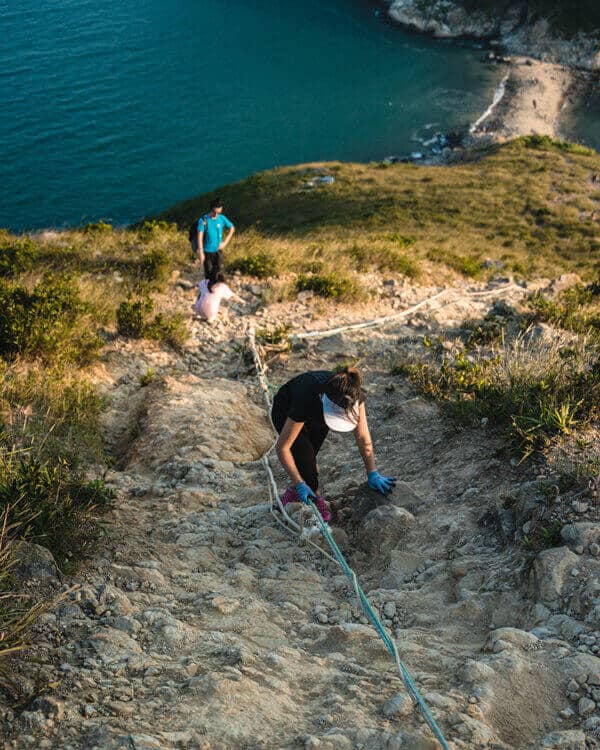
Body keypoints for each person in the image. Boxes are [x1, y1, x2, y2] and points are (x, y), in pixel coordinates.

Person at [271, 366, 396, 522]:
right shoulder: (306, 398)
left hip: (318, 415)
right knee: (306, 463)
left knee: (306, 458)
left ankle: (295, 491)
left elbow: (363, 437)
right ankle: (314, 500)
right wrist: (299, 482)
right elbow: (282, 448)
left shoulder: (354, 396)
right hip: (286, 408)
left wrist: (372, 472)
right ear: (322, 397)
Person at [194, 198, 235, 280]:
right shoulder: (203, 220)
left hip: (218, 250)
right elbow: (200, 236)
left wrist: (225, 243)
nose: (221, 208)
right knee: (209, 274)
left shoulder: (221, 218)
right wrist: (201, 253)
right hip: (207, 251)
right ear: (213, 208)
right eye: (219, 207)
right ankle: (208, 290)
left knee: (218, 271)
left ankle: (216, 288)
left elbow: (232, 228)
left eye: (221, 207)